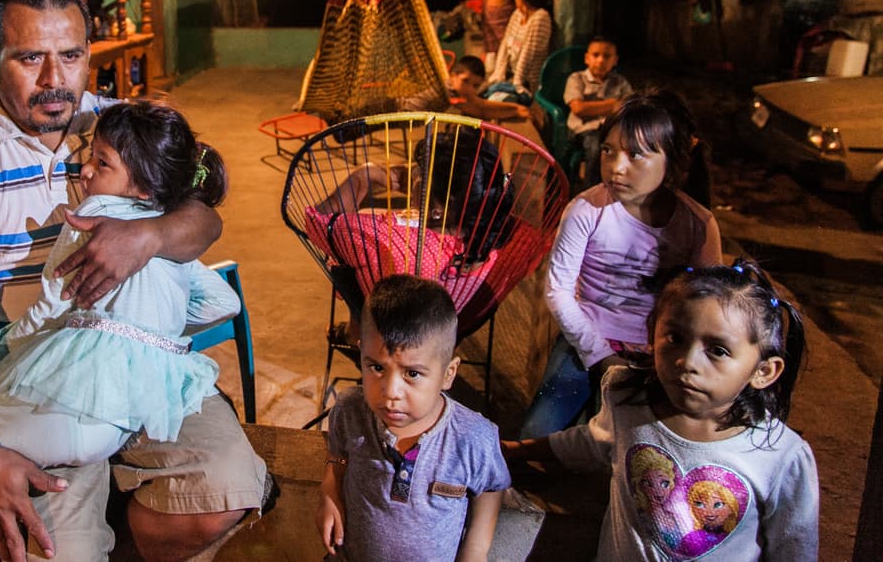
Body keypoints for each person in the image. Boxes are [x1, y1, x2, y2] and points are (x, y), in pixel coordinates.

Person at [0, 0, 266, 562]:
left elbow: (205, 218)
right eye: (31, 58)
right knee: (60, 552)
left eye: (71, 56)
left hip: (133, 357)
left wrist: (148, 235)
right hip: (31, 380)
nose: (56, 80)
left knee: (227, 488)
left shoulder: (117, 125)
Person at [504, 261, 818, 561]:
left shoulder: (781, 456)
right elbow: (596, 440)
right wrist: (519, 450)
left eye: (718, 350)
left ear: (763, 371)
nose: (688, 362)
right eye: (675, 338)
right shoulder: (629, 402)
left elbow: (794, 549)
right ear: (652, 335)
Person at [518, 89, 723, 439]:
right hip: (587, 340)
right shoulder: (586, 210)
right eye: (608, 150)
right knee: (536, 435)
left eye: (636, 154)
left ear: (671, 161)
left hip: (661, 354)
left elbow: (706, 306)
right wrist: (600, 355)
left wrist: (665, 355)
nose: (616, 167)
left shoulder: (698, 224)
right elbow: (558, 291)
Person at [317, 275, 508, 561]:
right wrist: (329, 491)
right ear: (361, 352)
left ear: (448, 374)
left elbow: (491, 487)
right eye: (376, 367)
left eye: (413, 373)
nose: (391, 392)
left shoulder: (473, 437)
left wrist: (475, 551)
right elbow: (338, 455)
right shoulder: (349, 411)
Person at [303, 127, 515, 315]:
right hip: (443, 328)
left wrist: (364, 175)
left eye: (420, 174)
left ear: (438, 210)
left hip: (388, 324)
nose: (413, 173)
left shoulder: (384, 239)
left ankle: (354, 333)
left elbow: (319, 222)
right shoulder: (485, 242)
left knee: (345, 270)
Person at [564, 37, 633, 187]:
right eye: (596, 55)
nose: (601, 61)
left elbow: (629, 106)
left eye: (607, 56)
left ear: (615, 60)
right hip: (583, 129)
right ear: (587, 58)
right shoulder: (577, 79)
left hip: (612, 129)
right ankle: (591, 189)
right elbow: (579, 109)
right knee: (597, 148)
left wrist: (594, 107)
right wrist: (612, 105)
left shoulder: (620, 82)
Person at [485, 0, 553, 104]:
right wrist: (498, 74)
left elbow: (528, 53)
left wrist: (517, 83)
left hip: (526, 82)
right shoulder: (517, 14)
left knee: (496, 100)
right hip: (510, 76)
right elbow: (505, 44)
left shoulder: (540, 18)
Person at [448, 55, 530, 122]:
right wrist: (517, 110)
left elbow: (481, 104)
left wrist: (518, 109)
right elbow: (482, 110)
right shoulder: (449, 93)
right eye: (465, 81)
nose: (470, 89)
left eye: (475, 86)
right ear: (452, 76)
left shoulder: (463, 96)